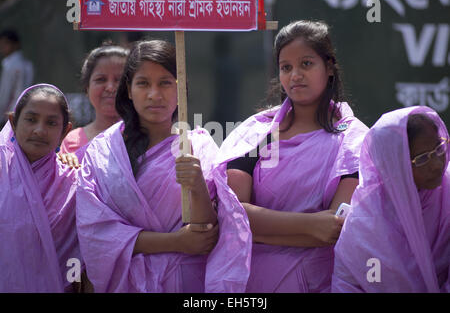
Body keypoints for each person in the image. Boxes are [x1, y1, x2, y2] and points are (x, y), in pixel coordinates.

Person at [76, 40, 252, 292]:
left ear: (181, 88)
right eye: (143, 83)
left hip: (185, 282)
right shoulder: (102, 151)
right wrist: (174, 241)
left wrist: (198, 186)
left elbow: (207, 235)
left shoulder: (198, 146)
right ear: (128, 89)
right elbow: (96, 234)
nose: (154, 95)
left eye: (165, 83)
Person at [217, 20, 369, 292]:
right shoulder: (257, 132)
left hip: (320, 281)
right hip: (250, 283)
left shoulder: (353, 139)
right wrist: (311, 224)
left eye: (306, 64)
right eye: (286, 67)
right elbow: (232, 212)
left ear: (329, 67)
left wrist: (261, 229)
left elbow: (335, 229)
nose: (295, 75)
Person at [332, 106, 450, 292]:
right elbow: (348, 284)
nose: (436, 164)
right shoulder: (363, 224)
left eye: (439, 148)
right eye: (421, 159)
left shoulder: (447, 195)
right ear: (393, 164)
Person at [0, 84, 81, 292]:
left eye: (51, 123)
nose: (39, 130)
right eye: (31, 119)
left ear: (65, 131)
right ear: (13, 121)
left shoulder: (75, 181)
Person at [60, 43, 128, 154]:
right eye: (101, 79)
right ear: (87, 88)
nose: (110, 88)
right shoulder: (73, 141)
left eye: (119, 80)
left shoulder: (146, 137)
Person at [0, 29, 34, 126]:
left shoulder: (10, 65)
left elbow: (5, 93)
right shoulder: (27, 64)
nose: (2, 47)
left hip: (10, 113)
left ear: (16, 45)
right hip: (24, 110)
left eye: (6, 44)